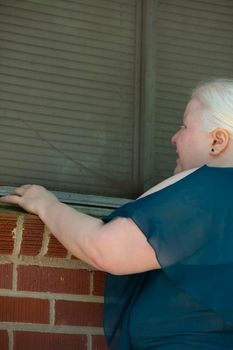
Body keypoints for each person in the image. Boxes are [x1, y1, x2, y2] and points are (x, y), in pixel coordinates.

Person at [1, 78, 233, 349]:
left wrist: (45, 204)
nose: (174, 138)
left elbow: (107, 248)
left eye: (184, 126)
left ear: (218, 140)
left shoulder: (210, 187)